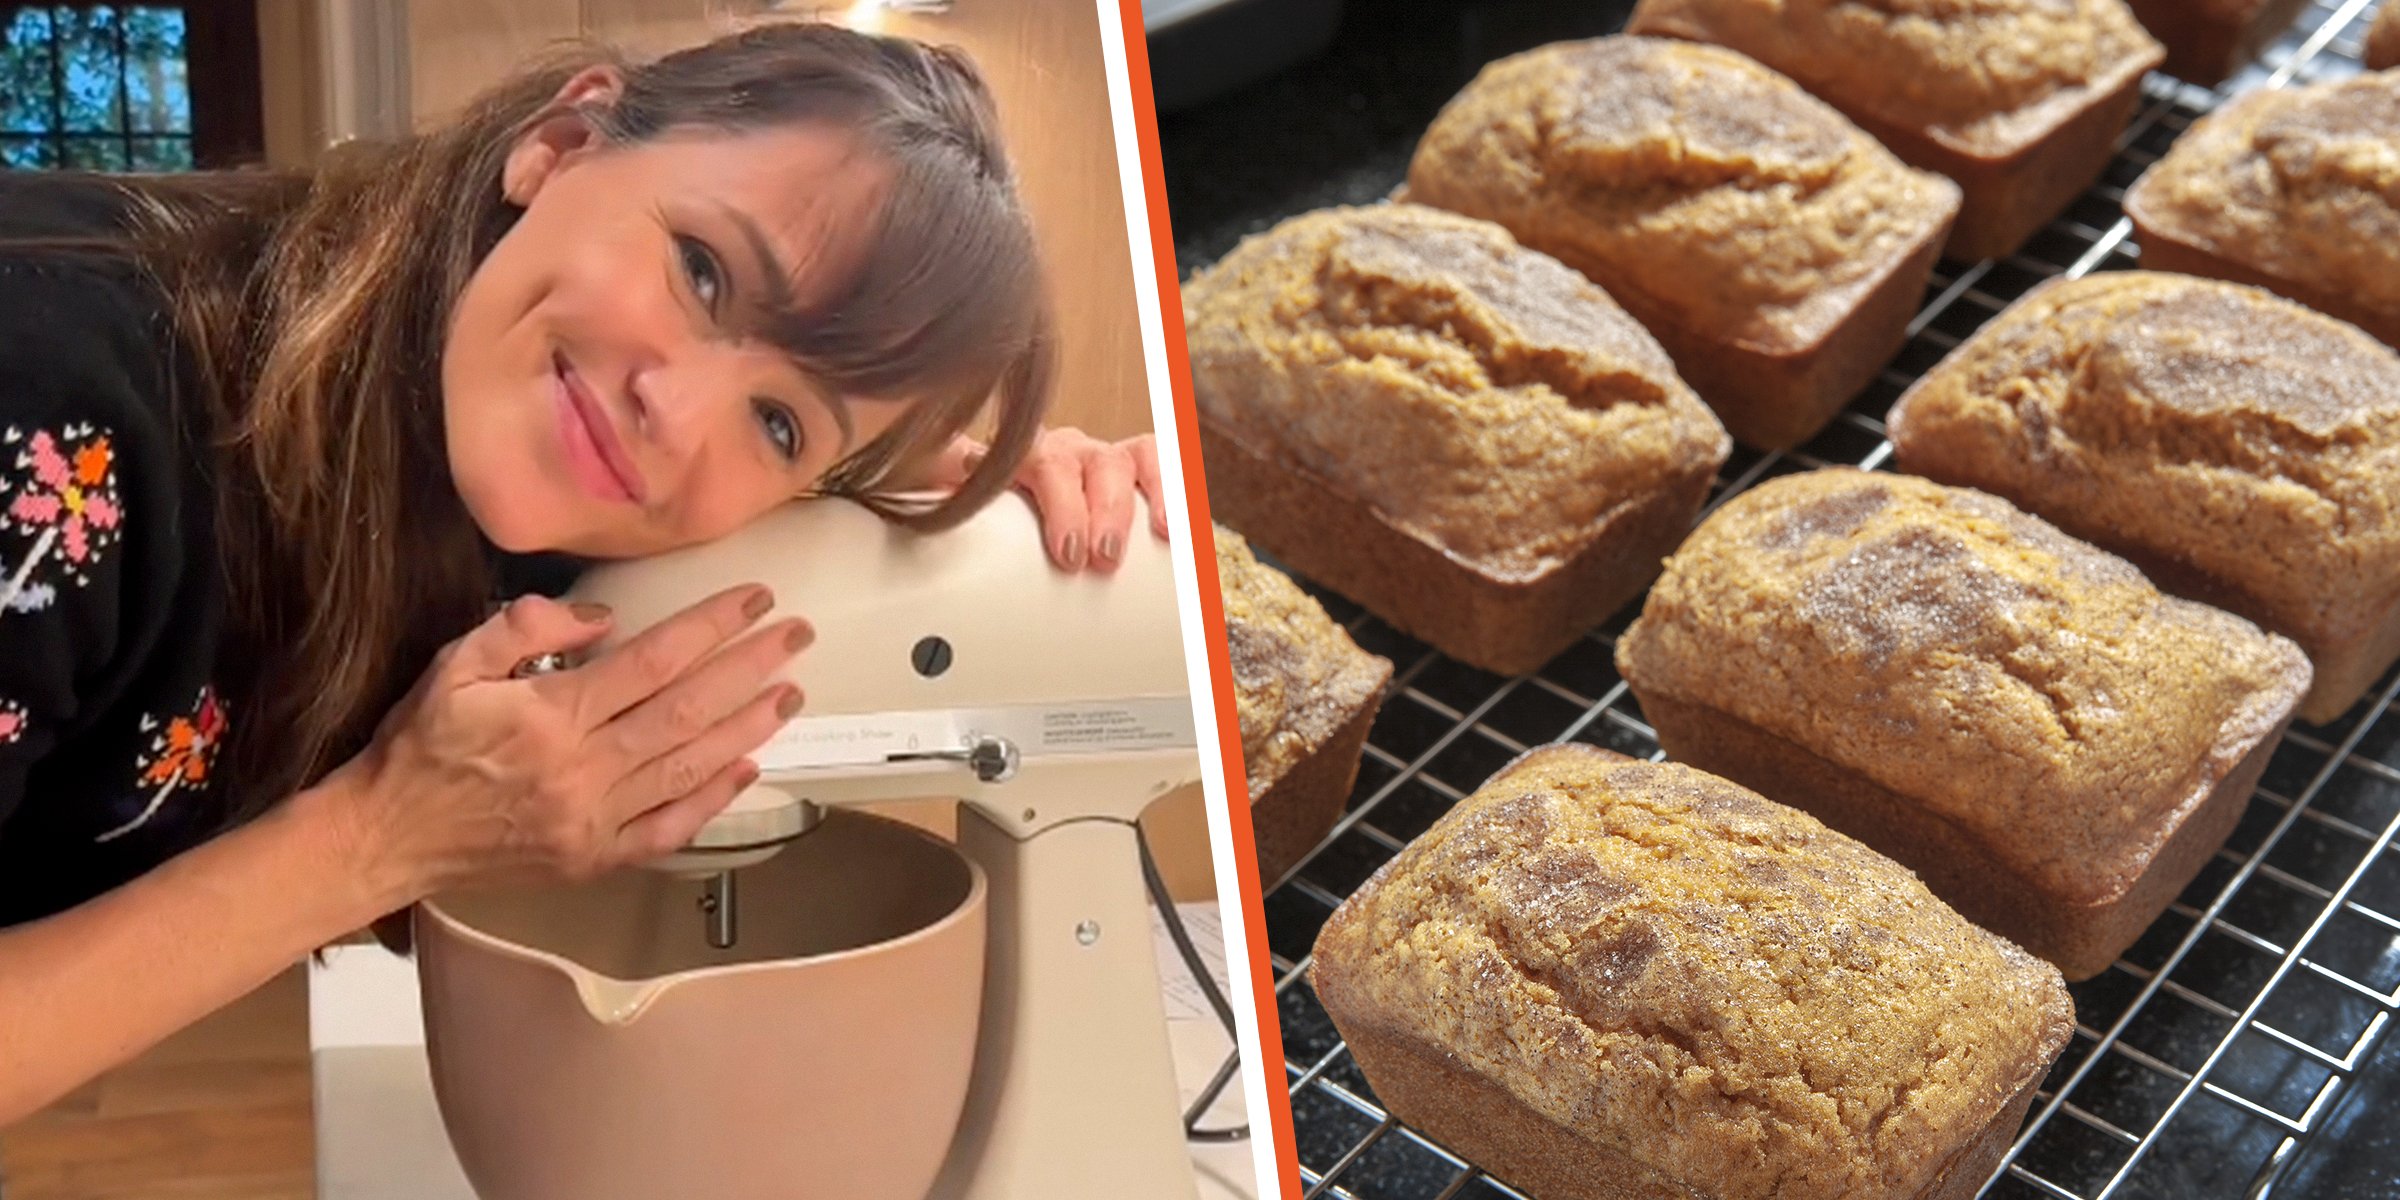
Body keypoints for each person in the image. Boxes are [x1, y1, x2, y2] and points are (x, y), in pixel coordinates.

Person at [0, 21, 1169, 1124]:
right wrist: (380, 839)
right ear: (559, 148)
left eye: (777, 423)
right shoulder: (52, 415)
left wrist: (994, 524)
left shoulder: (479, 452)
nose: (677, 413)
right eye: (704, 273)